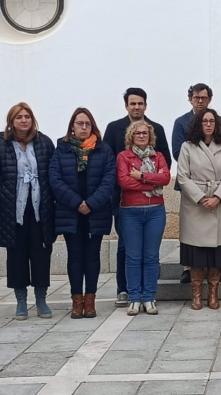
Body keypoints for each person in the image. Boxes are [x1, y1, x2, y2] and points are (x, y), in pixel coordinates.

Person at [0, 103, 56, 321]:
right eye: (19, 117)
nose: (23, 120)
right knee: (16, 256)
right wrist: (1, 195)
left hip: (39, 209)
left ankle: (41, 299)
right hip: (12, 210)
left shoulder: (44, 143)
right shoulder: (0, 144)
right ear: (11, 121)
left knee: (41, 254)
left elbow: (53, 171)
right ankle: (21, 300)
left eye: (27, 116)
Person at [103, 87, 171, 307]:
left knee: (150, 252)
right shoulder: (114, 129)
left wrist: (143, 177)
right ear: (126, 106)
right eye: (132, 103)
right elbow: (112, 168)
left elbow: (165, 169)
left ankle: (148, 292)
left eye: (140, 103)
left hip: (153, 204)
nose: (136, 107)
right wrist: (148, 180)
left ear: (145, 105)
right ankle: (124, 290)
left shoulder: (156, 129)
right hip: (122, 201)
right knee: (126, 247)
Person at [49, 108, 116, 319]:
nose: (84, 127)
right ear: (72, 126)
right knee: (75, 257)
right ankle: (76, 301)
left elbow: (109, 180)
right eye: (80, 123)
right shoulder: (62, 149)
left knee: (92, 257)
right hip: (71, 212)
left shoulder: (103, 150)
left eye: (87, 123)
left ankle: (90, 300)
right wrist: (78, 203)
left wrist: (91, 204)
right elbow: (55, 179)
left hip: (95, 212)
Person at [177, 109, 221, 311]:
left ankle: (213, 293)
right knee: (196, 253)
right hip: (195, 205)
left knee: (215, 253)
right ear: (198, 124)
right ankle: (196, 295)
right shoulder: (187, 147)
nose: (209, 124)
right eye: (204, 121)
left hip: (217, 203)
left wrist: (217, 197)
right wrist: (201, 198)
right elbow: (182, 176)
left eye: (212, 121)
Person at [117, 121, 171, 316]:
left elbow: (165, 178)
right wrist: (150, 183)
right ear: (131, 135)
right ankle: (134, 298)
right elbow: (124, 181)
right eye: (138, 133)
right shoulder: (124, 156)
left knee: (151, 256)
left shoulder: (159, 156)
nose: (141, 136)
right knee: (133, 256)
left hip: (155, 211)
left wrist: (141, 175)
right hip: (131, 211)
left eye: (145, 133)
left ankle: (149, 297)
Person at [172, 83, 221, 284]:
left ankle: (215, 268)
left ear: (209, 99)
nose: (200, 101)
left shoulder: (219, 121)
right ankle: (189, 267)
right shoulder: (181, 122)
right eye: (196, 97)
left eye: (203, 97)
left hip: (215, 188)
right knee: (192, 230)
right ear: (190, 99)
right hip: (191, 185)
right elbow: (177, 152)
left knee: (214, 230)